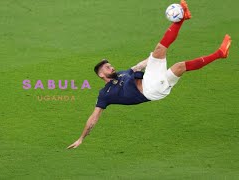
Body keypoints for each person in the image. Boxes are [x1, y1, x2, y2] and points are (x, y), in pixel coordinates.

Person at [67, 0, 231, 149]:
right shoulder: (105, 94)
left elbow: (139, 66)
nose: (111, 67)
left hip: (156, 86)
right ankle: (181, 19)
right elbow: (94, 118)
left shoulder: (124, 73)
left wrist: (150, 58)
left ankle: (220, 53)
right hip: (150, 89)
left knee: (180, 66)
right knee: (160, 51)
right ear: (101, 76)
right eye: (107, 67)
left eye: (109, 65)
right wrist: (81, 138)